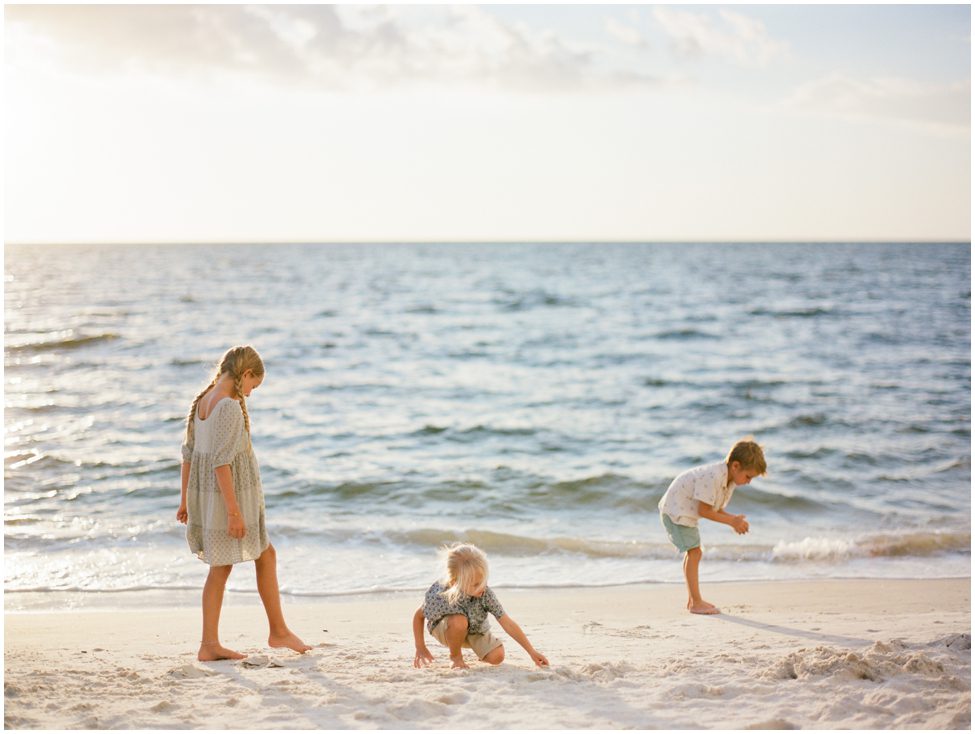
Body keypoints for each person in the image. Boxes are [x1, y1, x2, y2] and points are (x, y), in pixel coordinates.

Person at [177, 345, 311, 661]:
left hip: (208, 498)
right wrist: (234, 513)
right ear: (246, 374)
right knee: (264, 555)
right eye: (253, 386)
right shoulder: (228, 407)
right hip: (227, 500)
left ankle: (210, 644)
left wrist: (184, 500)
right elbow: (222, 463)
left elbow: (188, 455)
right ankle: (277, 632)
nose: (250, 394)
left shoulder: (203, 402)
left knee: (222, 567)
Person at [658, 438, 767, 615]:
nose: (749, 482)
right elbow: (704, 511)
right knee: (695, 552)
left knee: (694, 552)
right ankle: (696, 602)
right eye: (748, 477)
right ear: (736, 466)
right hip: (675, 511)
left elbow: (716, 508)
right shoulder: (713, 476)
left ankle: (693, 600)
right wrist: (732, 522)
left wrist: (734, 519)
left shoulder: (728, 481)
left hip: (683, 512)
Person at [411, 543, 549, 670]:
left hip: (475, 631)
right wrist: (420, 647)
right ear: (454, 583)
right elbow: (418, 616)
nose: (482, 587)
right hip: (447, 630)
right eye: (476, 584)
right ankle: (455, 657)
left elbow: (507, 623)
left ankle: (478, 650)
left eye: (483, 581)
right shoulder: (441, 595)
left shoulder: (486, 594)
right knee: (459, 621)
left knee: (497, 657)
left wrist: (531, 651)